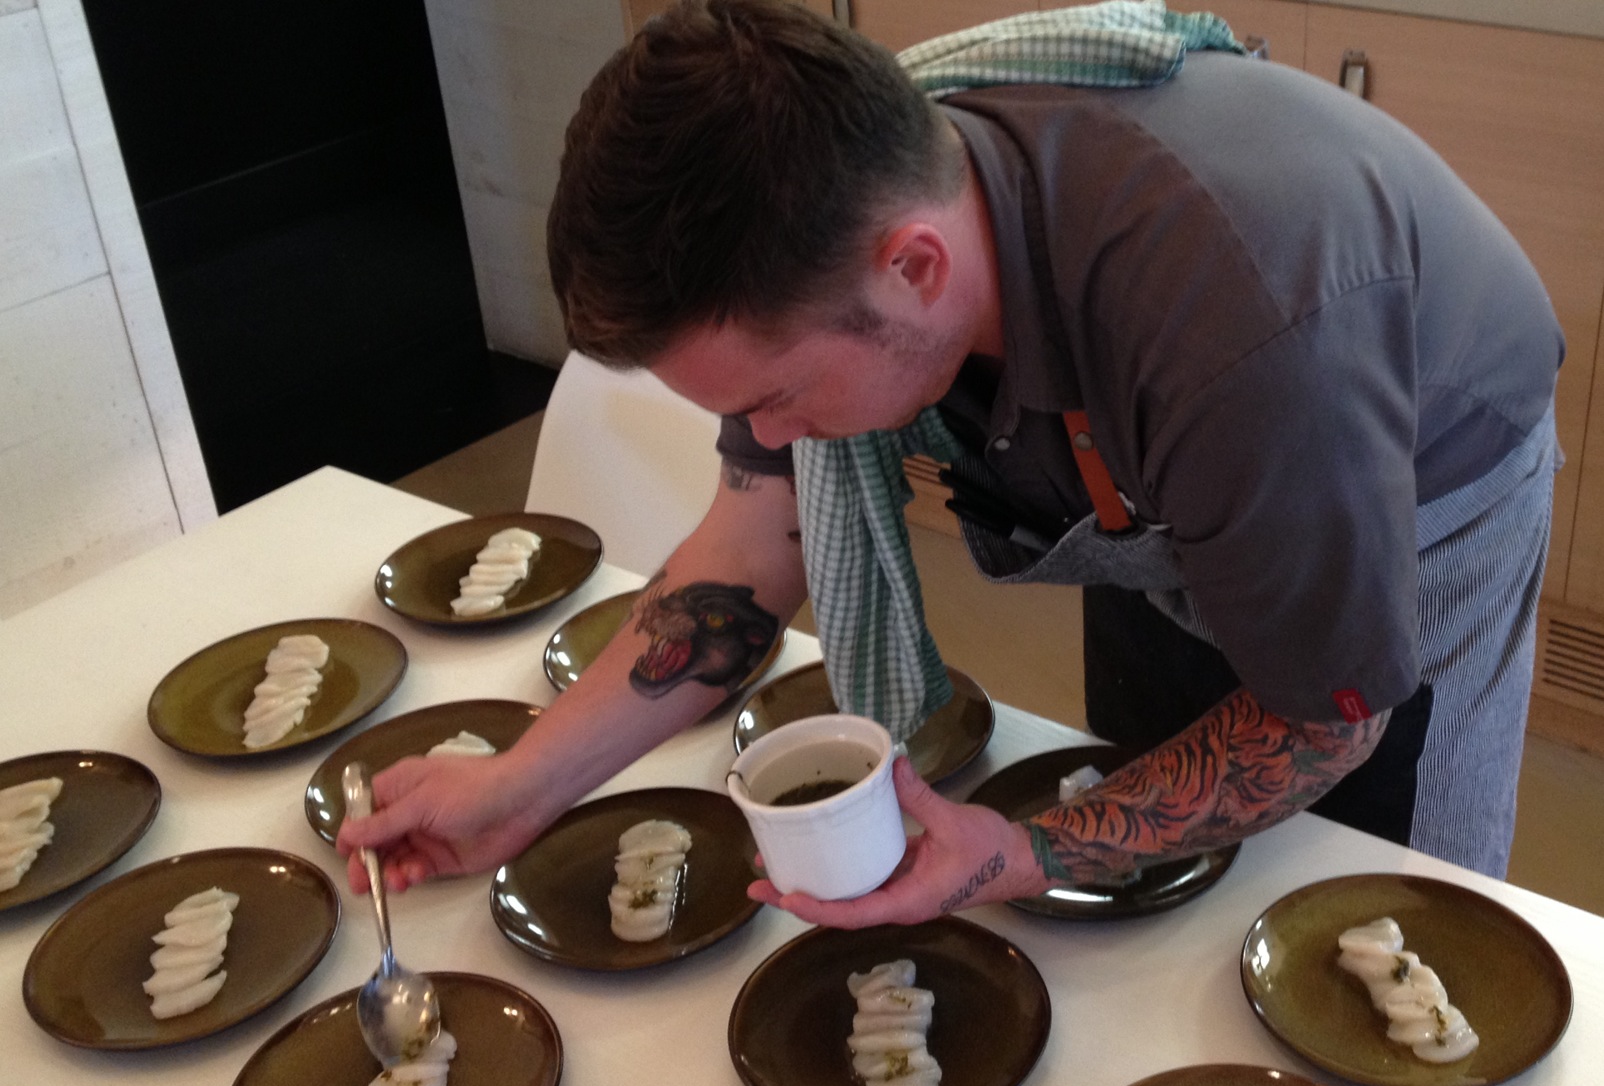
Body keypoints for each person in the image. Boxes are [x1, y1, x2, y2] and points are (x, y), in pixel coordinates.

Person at [337, 0, 1562, 927]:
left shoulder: (1237, 333)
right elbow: (754, 542)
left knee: (1382, 911)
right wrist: (518, 785)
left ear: (913, 267)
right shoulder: (832, 220)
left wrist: (1021, 852)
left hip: (1413, 489)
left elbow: (1316, 727)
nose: (768, 440)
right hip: (1171, 481)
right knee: (1169, 883)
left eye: (774, 401)